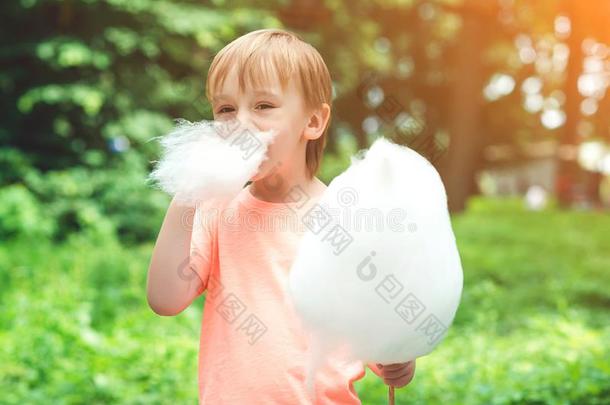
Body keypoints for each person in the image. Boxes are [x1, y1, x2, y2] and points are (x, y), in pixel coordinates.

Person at [146, 28, 415, 404]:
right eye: (225, 109)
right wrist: (187, 192)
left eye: (263, 106)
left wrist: (396, 361)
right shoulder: (215, 210)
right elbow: (164, 298)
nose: (240, 122)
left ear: (313, 122)